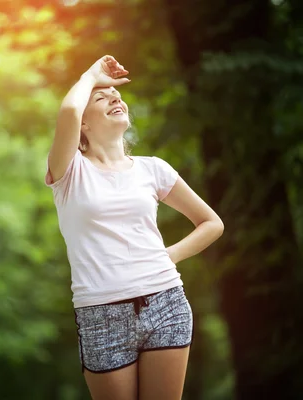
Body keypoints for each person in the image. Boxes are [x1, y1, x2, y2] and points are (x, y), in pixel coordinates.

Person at [45, 55, 224, 400]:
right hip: (101, 313)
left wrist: (166, 256)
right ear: (84, 125)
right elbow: (68, 111)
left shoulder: (153, 170)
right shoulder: (69, 173)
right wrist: (91, 75)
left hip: (166, 302)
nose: (116, 98)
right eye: (102, 97)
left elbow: (211, 223)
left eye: (117, 95)